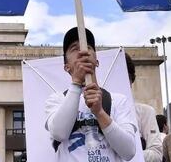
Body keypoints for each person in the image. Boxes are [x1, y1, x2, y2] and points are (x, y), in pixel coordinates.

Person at [45, 27, 137, 161]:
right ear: (66, 66)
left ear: (97, 61)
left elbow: (128, 151)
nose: (82, 51)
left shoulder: (118, 100)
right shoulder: (56, 100)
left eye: (88, 47)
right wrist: (76, 83)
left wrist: (99, 112)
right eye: (74, 48)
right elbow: (59, 133)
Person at [125, 52, 163, 162]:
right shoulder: (94, 113)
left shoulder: (145, 112)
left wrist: (123, 157)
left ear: (131, 81)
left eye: (124, 77)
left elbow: (157, 154)